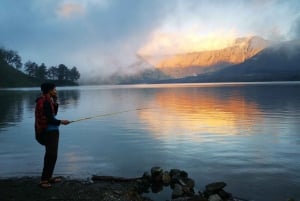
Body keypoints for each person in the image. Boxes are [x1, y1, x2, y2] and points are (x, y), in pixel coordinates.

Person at [35, 82, 70, 188]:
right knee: (51, 155)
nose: (56, 91)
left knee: (52, 155)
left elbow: (53, 114)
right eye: (54, 89)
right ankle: (44, 180)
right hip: (49, 132)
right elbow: (50, 119)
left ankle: (48, 177)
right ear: (49, 90)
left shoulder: (48, 100)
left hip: (51, 131)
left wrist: (55, 100)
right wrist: (61, 122)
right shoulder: (45, 101)